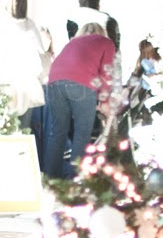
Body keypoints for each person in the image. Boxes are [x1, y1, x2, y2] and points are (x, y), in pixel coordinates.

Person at [42, 22, 115, 178]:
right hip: (82, 84)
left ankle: (49, 179)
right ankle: (76, 179)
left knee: (58, 132)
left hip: (54, 83)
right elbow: (106, 73)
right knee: (82, 133)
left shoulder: (73, 42)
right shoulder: (106, 43)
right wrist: (105, 102)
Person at [0, 0, 53, 167]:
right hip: (26, 84)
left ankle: (3, 167)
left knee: (3, 130)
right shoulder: (30, 25)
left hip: (4, 82)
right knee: (23, 131)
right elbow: (41, 50)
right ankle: (21, 169)